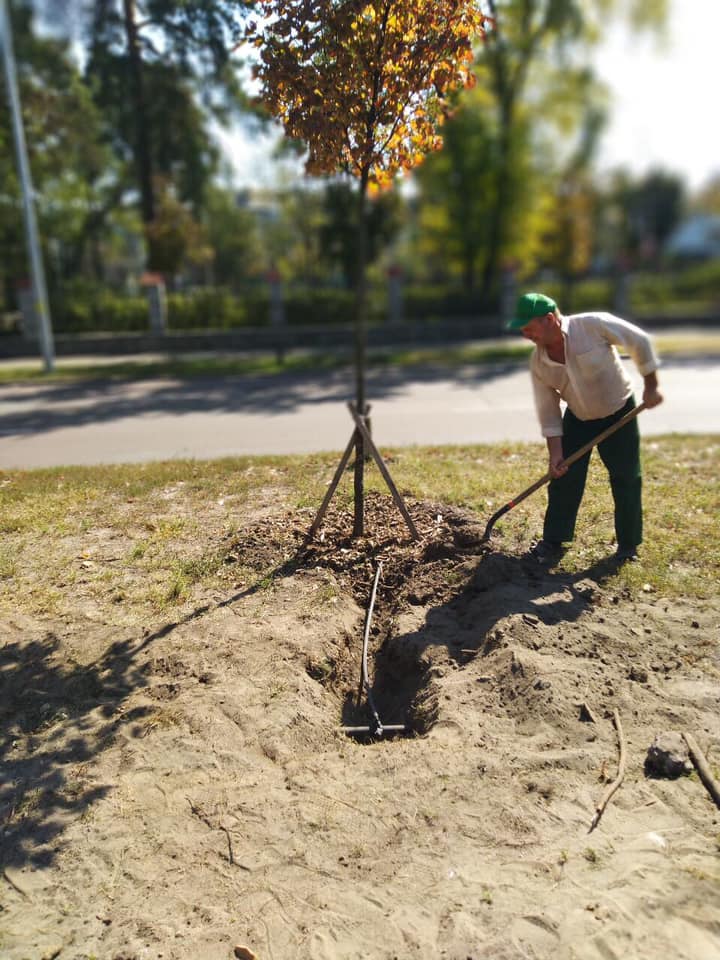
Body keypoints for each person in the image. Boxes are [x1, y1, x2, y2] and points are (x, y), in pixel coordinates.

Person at [506, 292, 664, 564]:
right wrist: (555, 454)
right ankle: (554, 541)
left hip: (619, 413)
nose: (525, 334)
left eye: (528, 327)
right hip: (578, 418)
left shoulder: (592, 325)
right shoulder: (538, 362)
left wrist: (651, 385)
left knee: (626, 477)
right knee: (563, 477)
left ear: (549, 319)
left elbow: (639, 341)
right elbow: (549, 411)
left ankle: (628, 546)